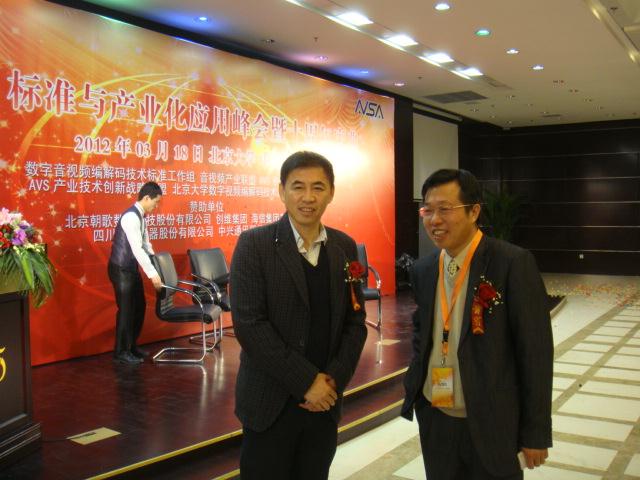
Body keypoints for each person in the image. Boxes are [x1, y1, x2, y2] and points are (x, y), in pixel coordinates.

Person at [401, 169, 553, 480]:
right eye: (427, 210)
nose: (434, 220)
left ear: (474, 212)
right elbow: (422, 333)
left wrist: (535, 432)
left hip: (493, 421)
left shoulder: (511, 263)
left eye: (445, 209)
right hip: (437, 416)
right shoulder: (424, 269)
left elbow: (535, 353)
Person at [230, 151, 367, 480]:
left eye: (318, 187)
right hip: (270, 403)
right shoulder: (254, 245)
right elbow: (250, 326)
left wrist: (331, 381)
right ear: (282, 191)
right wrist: (307, 382)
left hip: (324, 405)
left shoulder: (344, 247)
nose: (308, 197)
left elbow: (355, 322)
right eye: (298, 187)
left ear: (331, 192)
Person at [108, 181, 163, 365]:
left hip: (130, 269)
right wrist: (152, 274)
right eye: (156, 202)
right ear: (146, 198)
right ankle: (121, 352)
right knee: (126, 310)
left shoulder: (141, 216)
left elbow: (146, 245)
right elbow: (137, 249)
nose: (156, 206)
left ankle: (131, 346)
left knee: (139, 306)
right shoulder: (131, 217)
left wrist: (156, 264)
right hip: (121, 269)